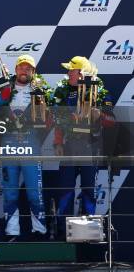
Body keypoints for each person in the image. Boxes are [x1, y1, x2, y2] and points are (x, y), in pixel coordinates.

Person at [52, 56, 115, 237]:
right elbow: (57, 121)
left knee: (88, 189)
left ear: (82, 74)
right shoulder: (63, 91)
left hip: (91, 146)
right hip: (69, 145)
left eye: (71, 70)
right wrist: (57, 142)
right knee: (65, 190)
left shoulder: (99, 91)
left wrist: (99, 115)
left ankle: (88, 233)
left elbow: (111, 121)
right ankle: (63, 232)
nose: (68, 73)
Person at [0, 55, 50, 241]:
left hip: (30, 143)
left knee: (34, 191)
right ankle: (12, 232)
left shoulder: (40, 89)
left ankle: (39, 231)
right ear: (15, 70)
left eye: (28, 68)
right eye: (21, 67)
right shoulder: (6, 86)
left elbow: (48, 119)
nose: (24, 71)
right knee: (10, 191)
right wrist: (2, 94)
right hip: (8, 144)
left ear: (33, 71)